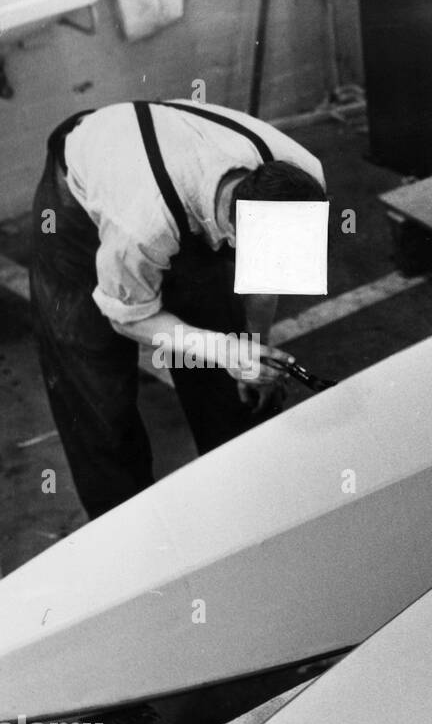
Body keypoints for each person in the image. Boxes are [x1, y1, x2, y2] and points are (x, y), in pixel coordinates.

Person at [30, 98, 328, 519]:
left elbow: (265, 284)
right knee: (95, 384)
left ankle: (245, 504)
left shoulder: (302, 176)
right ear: (236, 235)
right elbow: (125, 318)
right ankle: (123, 529)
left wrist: (251, 350)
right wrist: (226, 351)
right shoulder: (141, 225)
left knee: (222, 365)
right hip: (80, 200)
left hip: (178, 185)